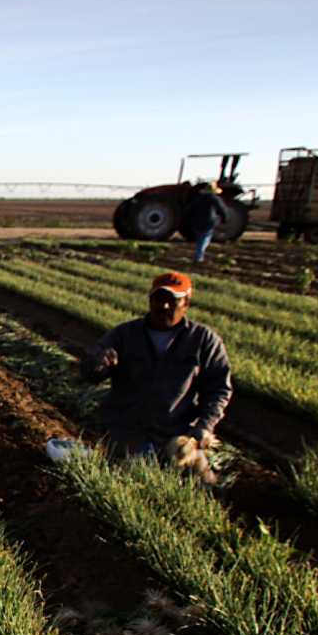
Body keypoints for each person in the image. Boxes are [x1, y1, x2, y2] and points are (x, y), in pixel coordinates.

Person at [82, 271, 232, 465]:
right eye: (158, 299)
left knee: (204, 483)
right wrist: (97, 365)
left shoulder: (204, 340)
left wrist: (205, 425)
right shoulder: (124, 335)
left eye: (173, 300)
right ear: (150, 300)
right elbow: (88, 374)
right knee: (137, 472)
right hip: (127, 429)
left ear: (186, 303)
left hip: (177, 433)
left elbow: (219, 388)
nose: (164, 306)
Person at [181, 181, 224, 264]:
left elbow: (189, 209)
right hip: (209, 222)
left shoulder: (198, 199)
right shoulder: (215, 199)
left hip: (196, 222)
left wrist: (186, 219)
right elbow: (222, 209)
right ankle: (199, 257)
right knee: (204, 239)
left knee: (200, 238)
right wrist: (224, 218)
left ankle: (199, 255)